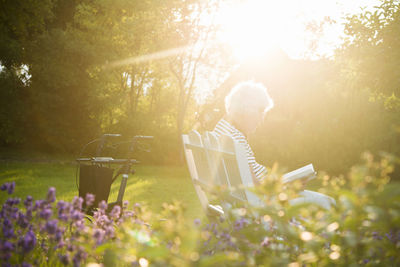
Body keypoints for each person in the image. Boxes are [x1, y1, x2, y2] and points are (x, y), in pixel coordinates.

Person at [212, 81, 274, 184]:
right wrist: (287, 187)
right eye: (261, 112)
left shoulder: (223, 128)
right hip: (261, 197)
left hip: (237, 195)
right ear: (247, 109)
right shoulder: (235, 139)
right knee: (310, 197)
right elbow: (252, 182)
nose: (262, 119)